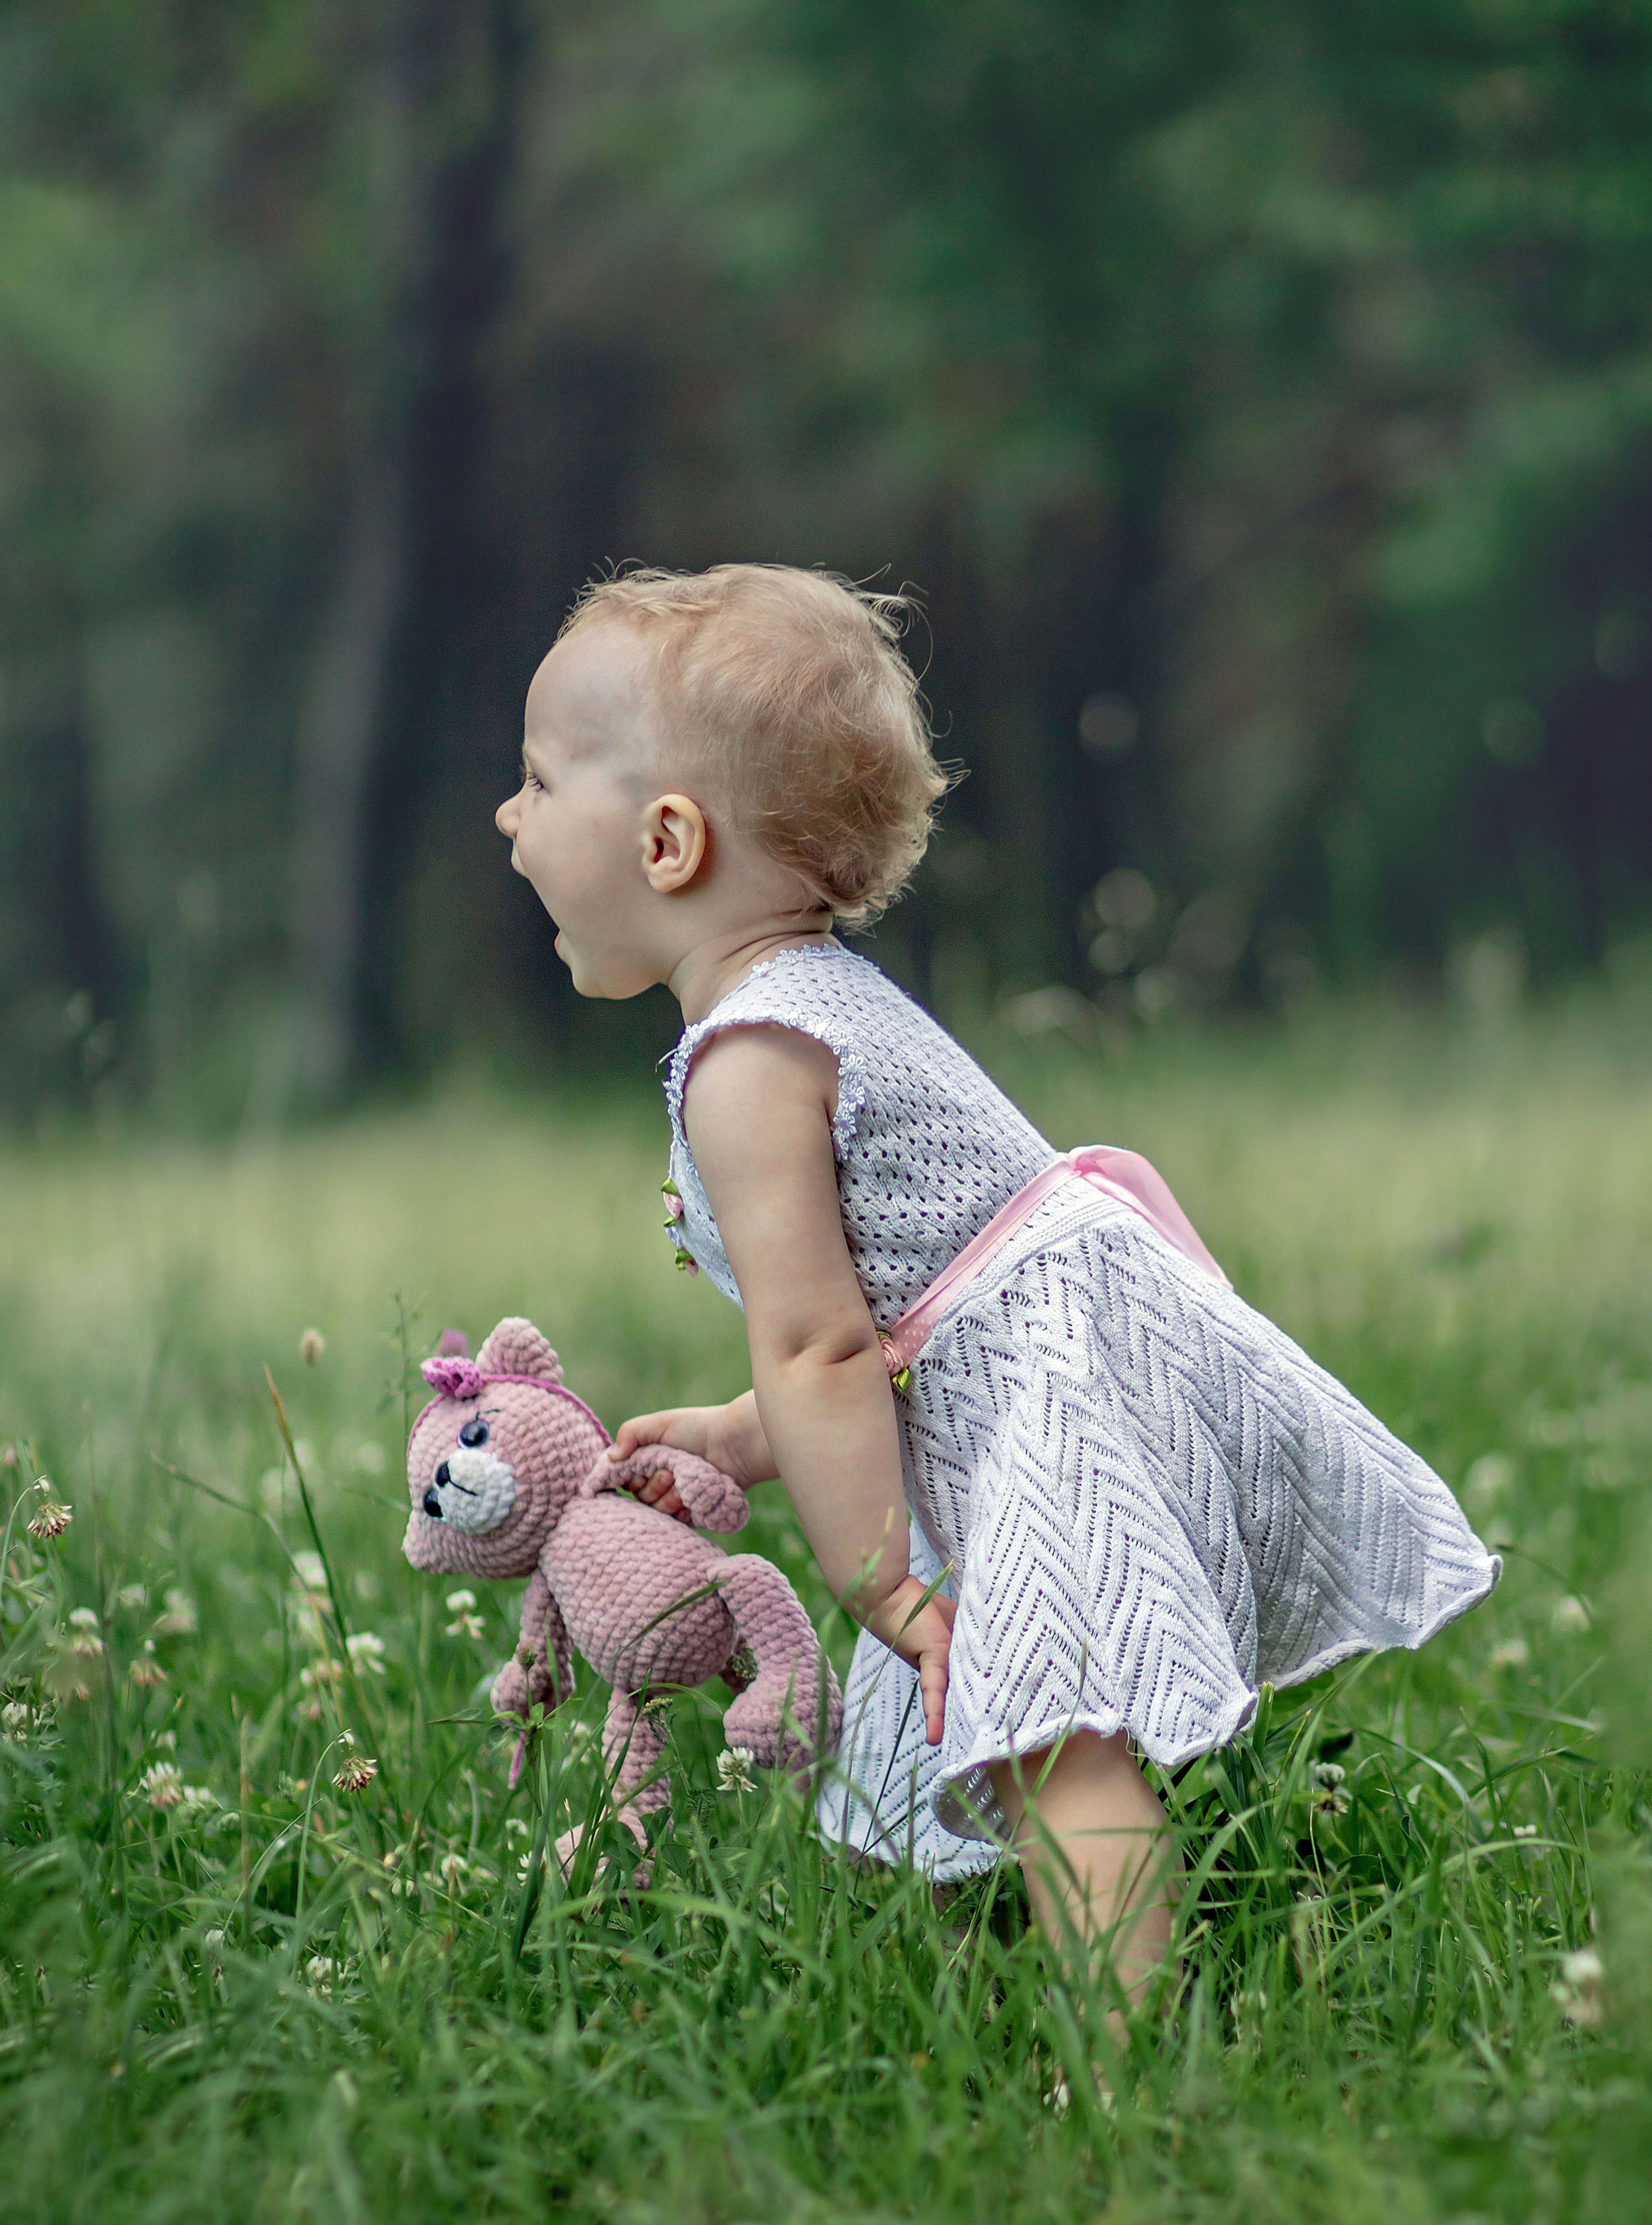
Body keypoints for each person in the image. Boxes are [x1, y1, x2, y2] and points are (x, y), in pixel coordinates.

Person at [493, 562, 1498, 2012]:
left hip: (1051, 1390)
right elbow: (887, 1317)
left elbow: (822, 1341)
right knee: (999, 1714)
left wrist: (885, 1587)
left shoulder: (748, 1064)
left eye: (535, 781)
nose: (509, 819)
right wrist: (738, 1436)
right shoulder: (808, 1003)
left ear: (665, 840)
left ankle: (1128, 2069)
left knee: (1046, 1733)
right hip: (1044, 1354)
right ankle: (1003, 1980)